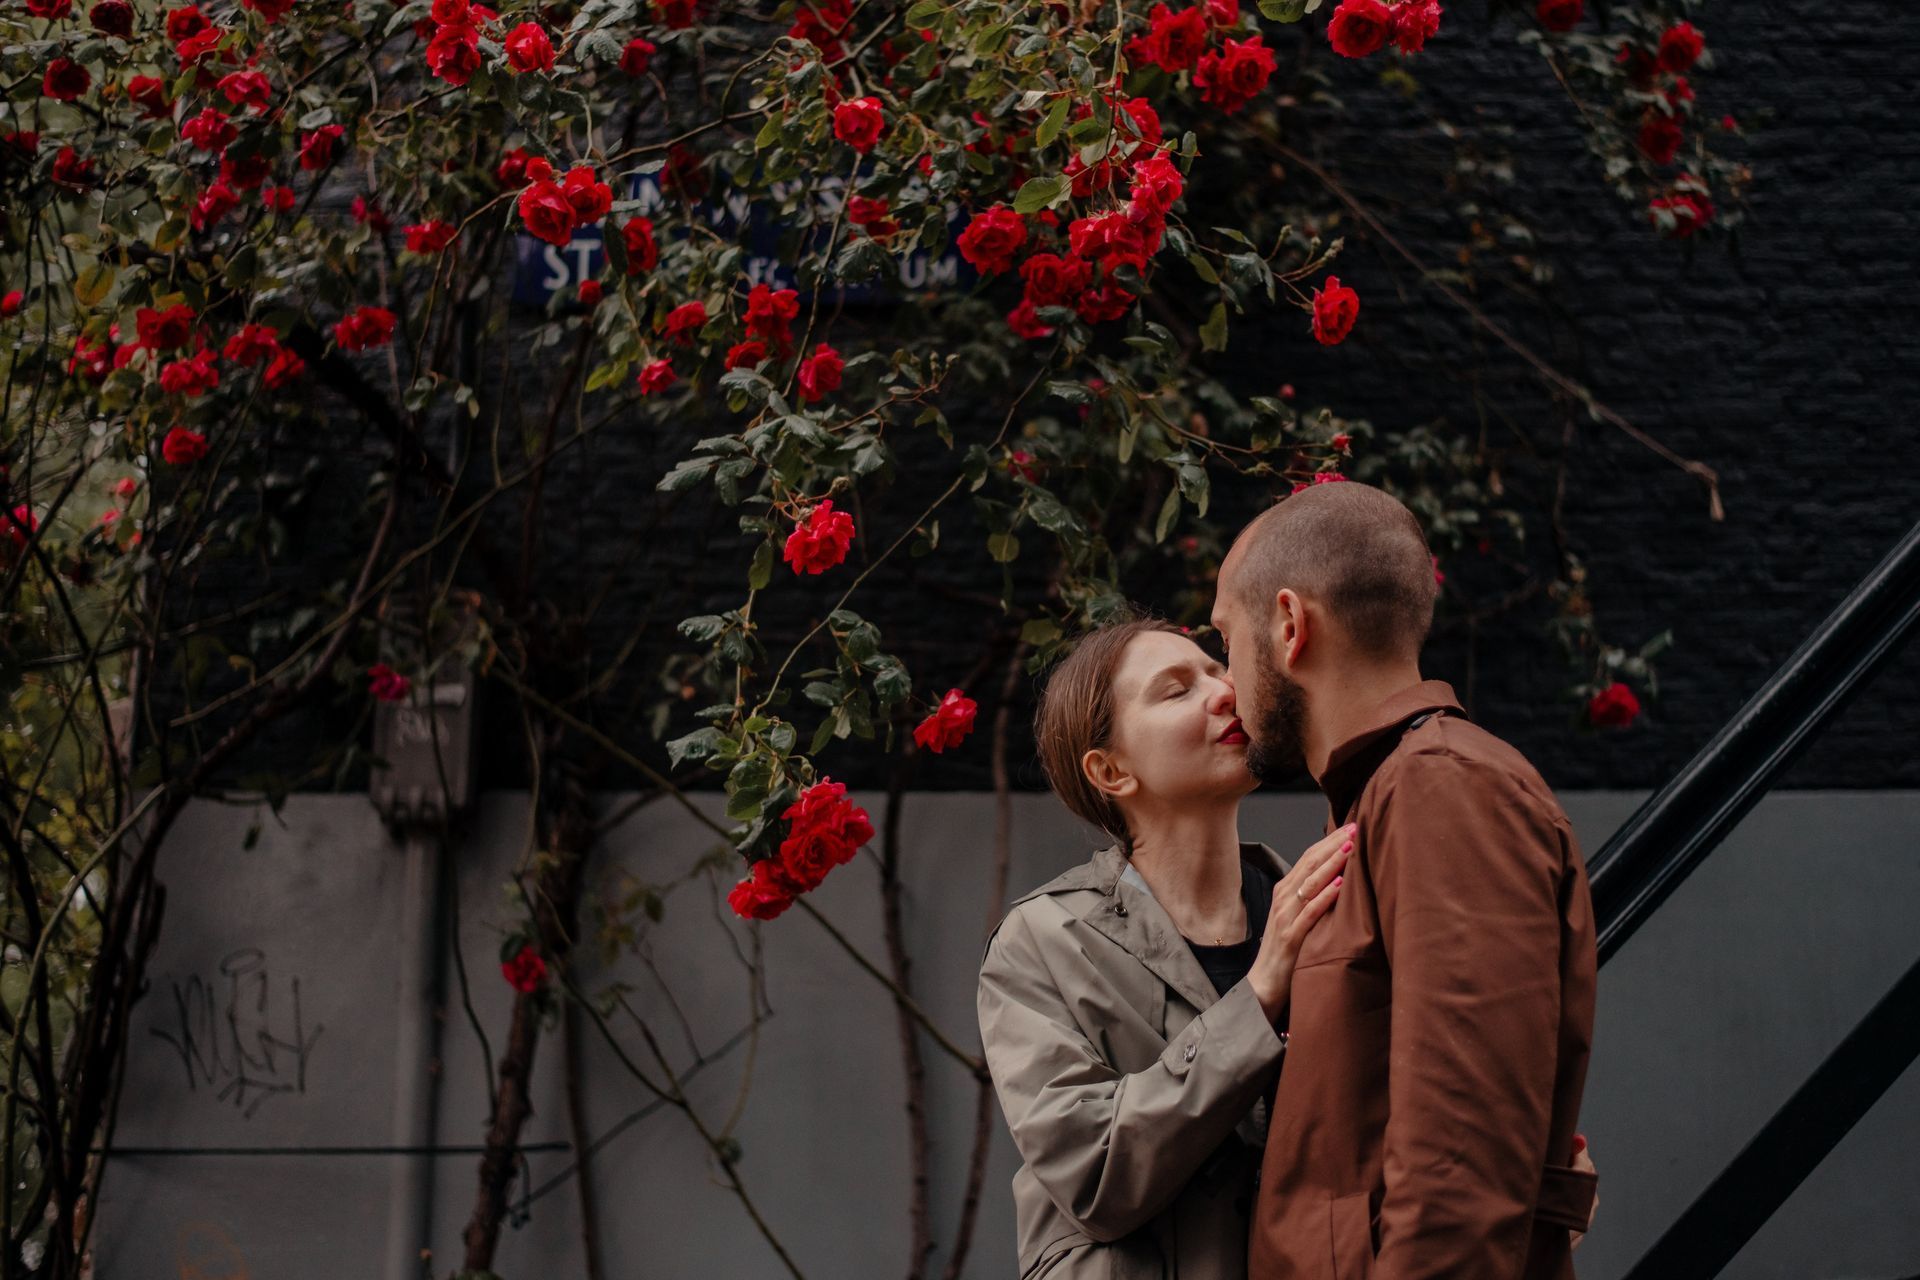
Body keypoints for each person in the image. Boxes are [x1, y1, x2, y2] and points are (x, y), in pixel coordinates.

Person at [1210, 481, 1599, 1279]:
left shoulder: (1442, 789)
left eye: (1225, 639)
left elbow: (1463, 1169)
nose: (1225, 681)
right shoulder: (1386, 797)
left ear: (1288, 626)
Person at [976, 617, 1353, 1278]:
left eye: (1218, 671)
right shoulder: (1043, 943)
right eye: (1176, 691)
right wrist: (1260, 994)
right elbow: (1094, 1177)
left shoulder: (1320, 912)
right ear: (1111, 770)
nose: (1225, 693)